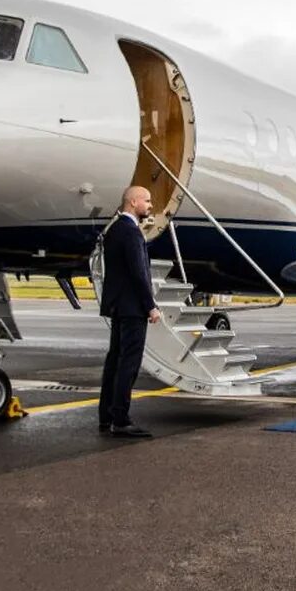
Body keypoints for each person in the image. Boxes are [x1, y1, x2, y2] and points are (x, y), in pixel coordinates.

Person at [98, 185, 162, 438]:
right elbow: (139, 274)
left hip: (117, 305)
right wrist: (151, 306)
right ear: (133, 202)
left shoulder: (114, 230)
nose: (150, 205)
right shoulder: (132, 233)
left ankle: (106, 416)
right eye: (147, 201)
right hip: (133, 308)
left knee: (114, 361)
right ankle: (121, 419)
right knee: (129, 363)